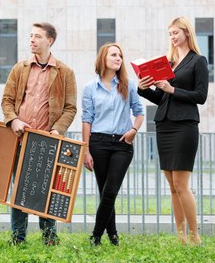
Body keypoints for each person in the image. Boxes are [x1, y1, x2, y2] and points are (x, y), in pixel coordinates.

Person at [2, 22, 77, 246]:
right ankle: (17, 239)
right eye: (30, 36)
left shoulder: (65, 72)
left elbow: (70, 108)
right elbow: (7, 100)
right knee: (19, 189)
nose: (32, 40)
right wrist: (13, 120)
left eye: (37, 36)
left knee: (46, 188)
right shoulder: (19, 68)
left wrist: (57, 130)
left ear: (50, 40)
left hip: (47, 140)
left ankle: (49, 238)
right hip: (21, 138)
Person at [137, 17, 208, 246]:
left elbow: (201, 96)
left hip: (184, 125)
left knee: (181, 184)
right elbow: (162, 98)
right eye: (169, 34)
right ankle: (181, 237)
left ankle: (195, 236)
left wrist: (172, 88)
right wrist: (144, 89)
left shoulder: (198, 61)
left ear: (186, 33)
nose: (172, 37)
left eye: (175, 32)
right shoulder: (169, 62)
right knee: (171, 184)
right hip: (164, 124)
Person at [82, 42, 144, 246]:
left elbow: (139, 112)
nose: (118, 58)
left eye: (120, 55)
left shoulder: (129, 85)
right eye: (114, 55)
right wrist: (86, 150)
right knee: (105, 191)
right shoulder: (90, 88)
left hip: (122, 144)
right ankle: (113, 235)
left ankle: (96, 236)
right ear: (103, 59)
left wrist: (133, 131)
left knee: (110, 191)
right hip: (98, 142)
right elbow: (87, 119)